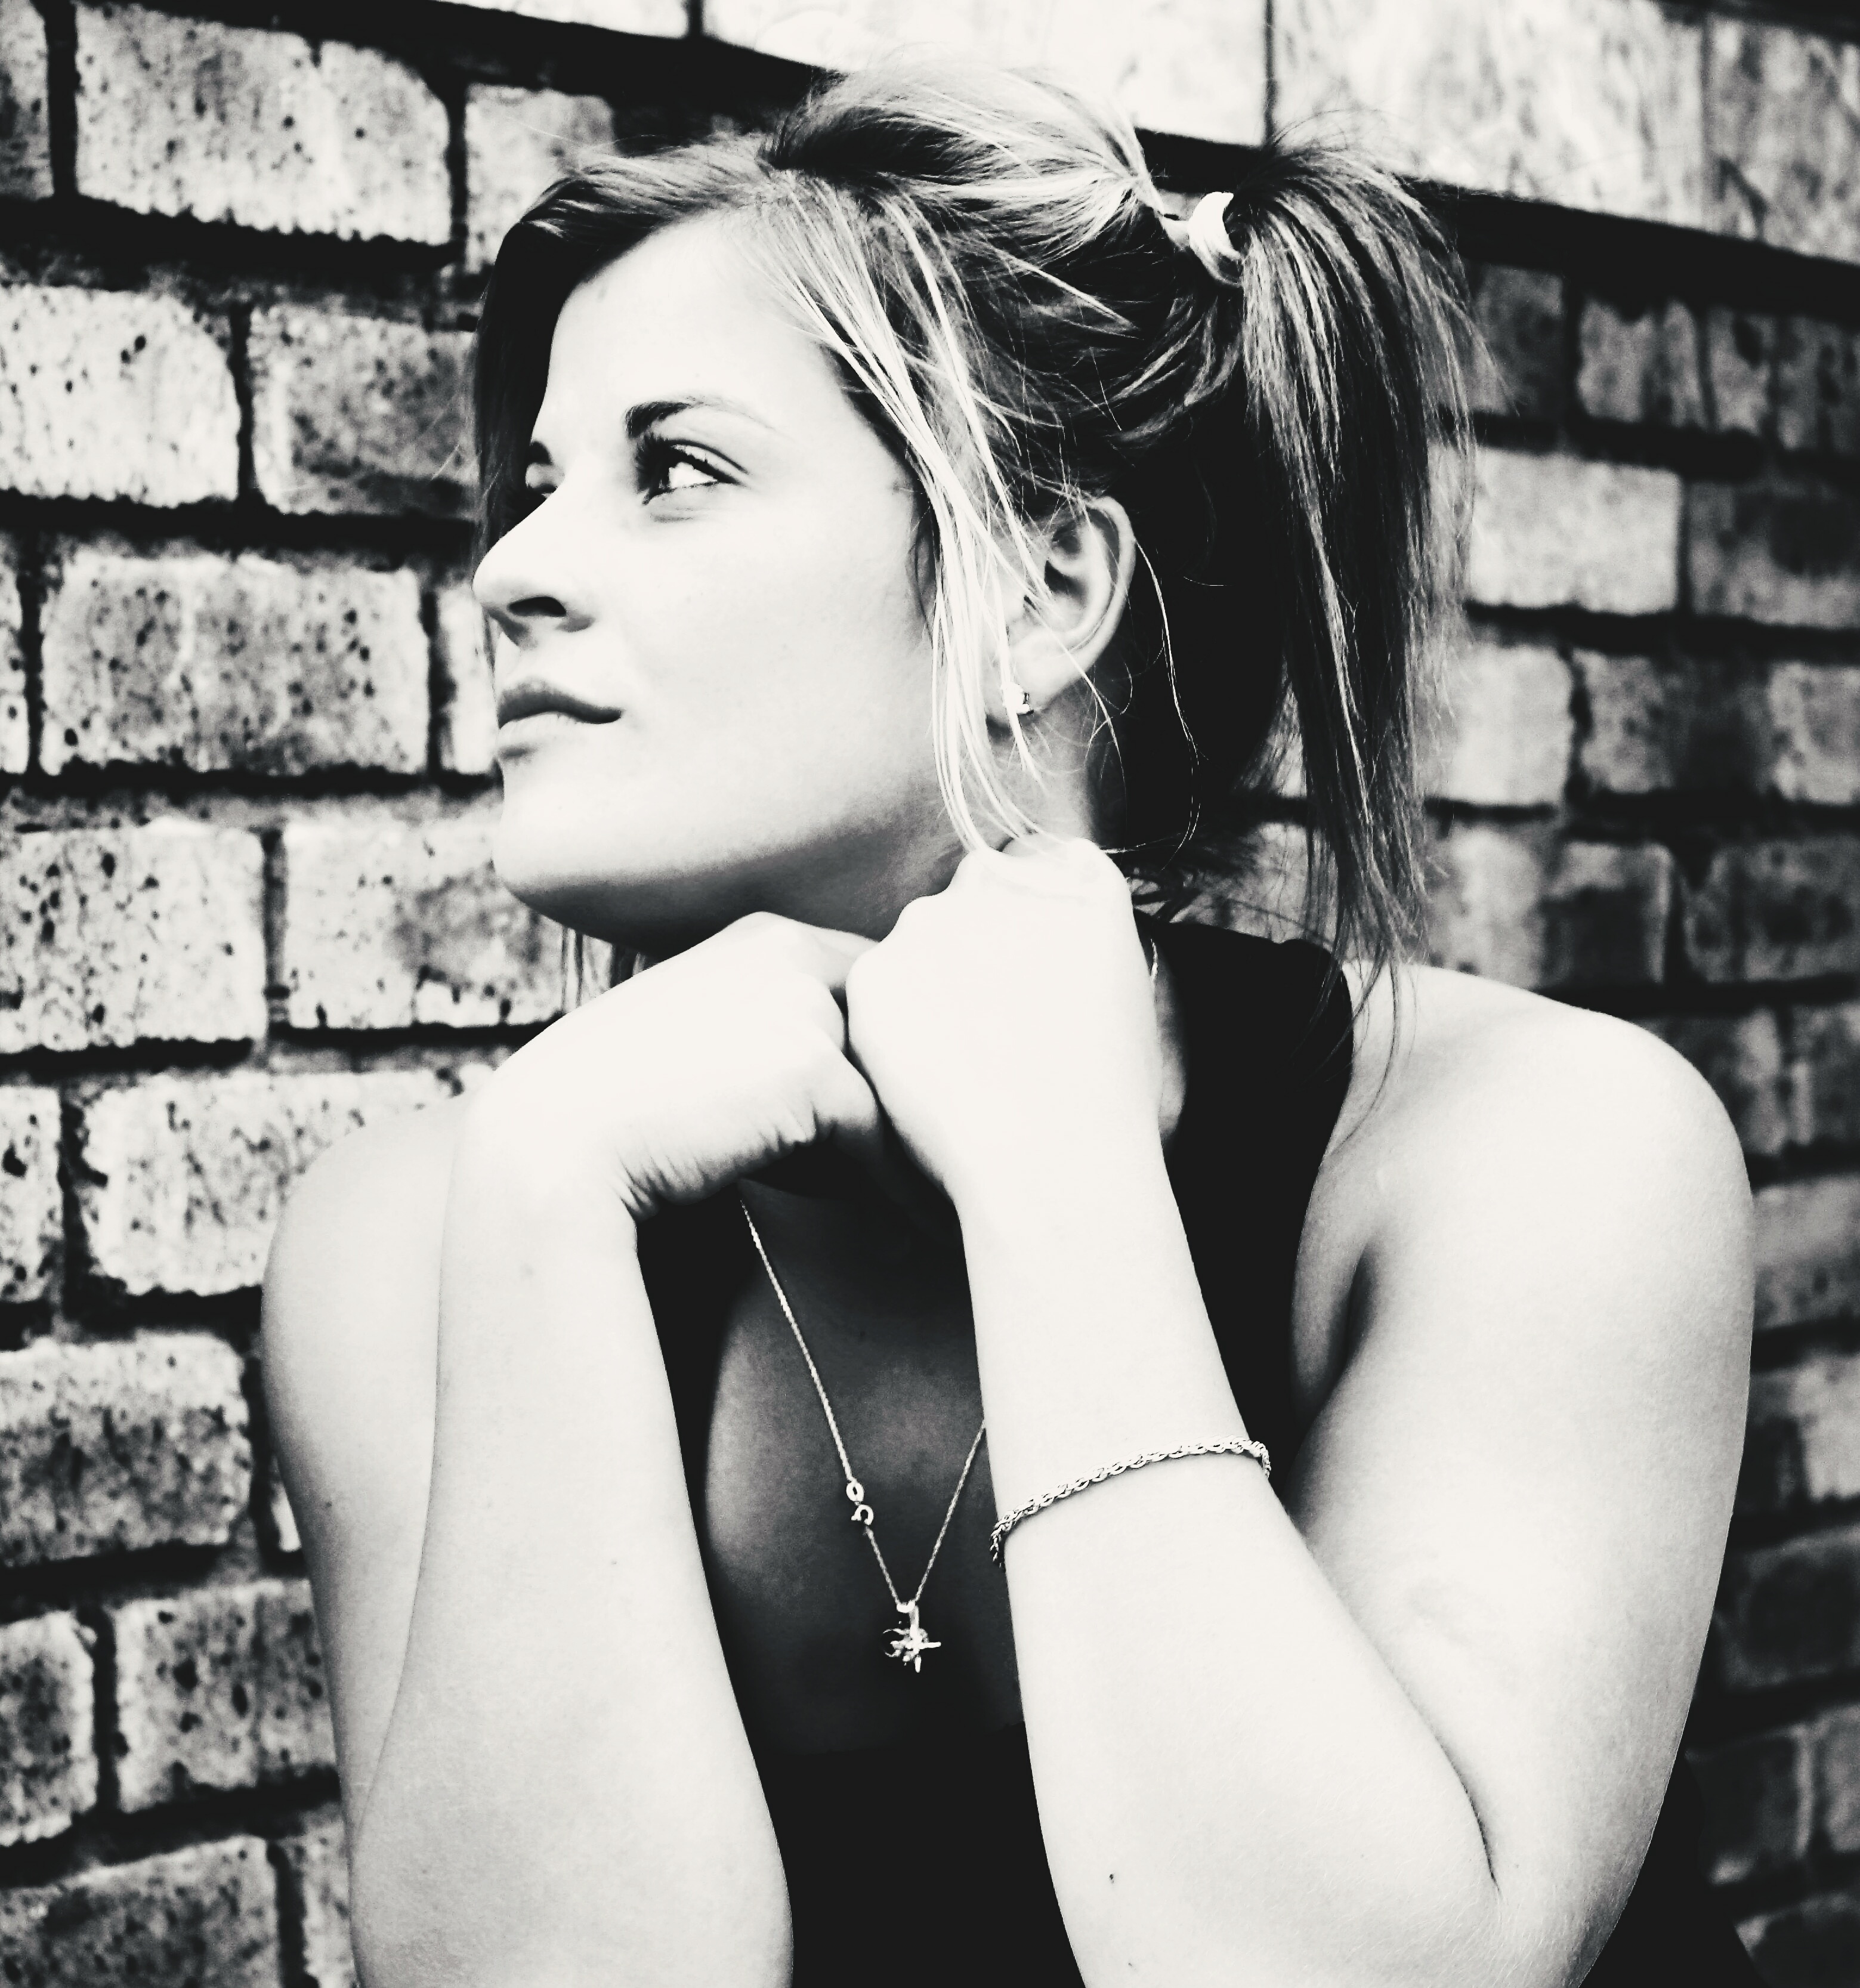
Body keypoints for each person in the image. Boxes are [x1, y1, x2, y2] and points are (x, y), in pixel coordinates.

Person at [261, 51, 1760, 1988]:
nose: (515, 571)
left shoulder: (1535, 1157)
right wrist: (548, 1196)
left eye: (676, 471)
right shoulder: (407, 1243)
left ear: (1045, 591)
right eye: (537, 490)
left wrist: (1056, 1166)